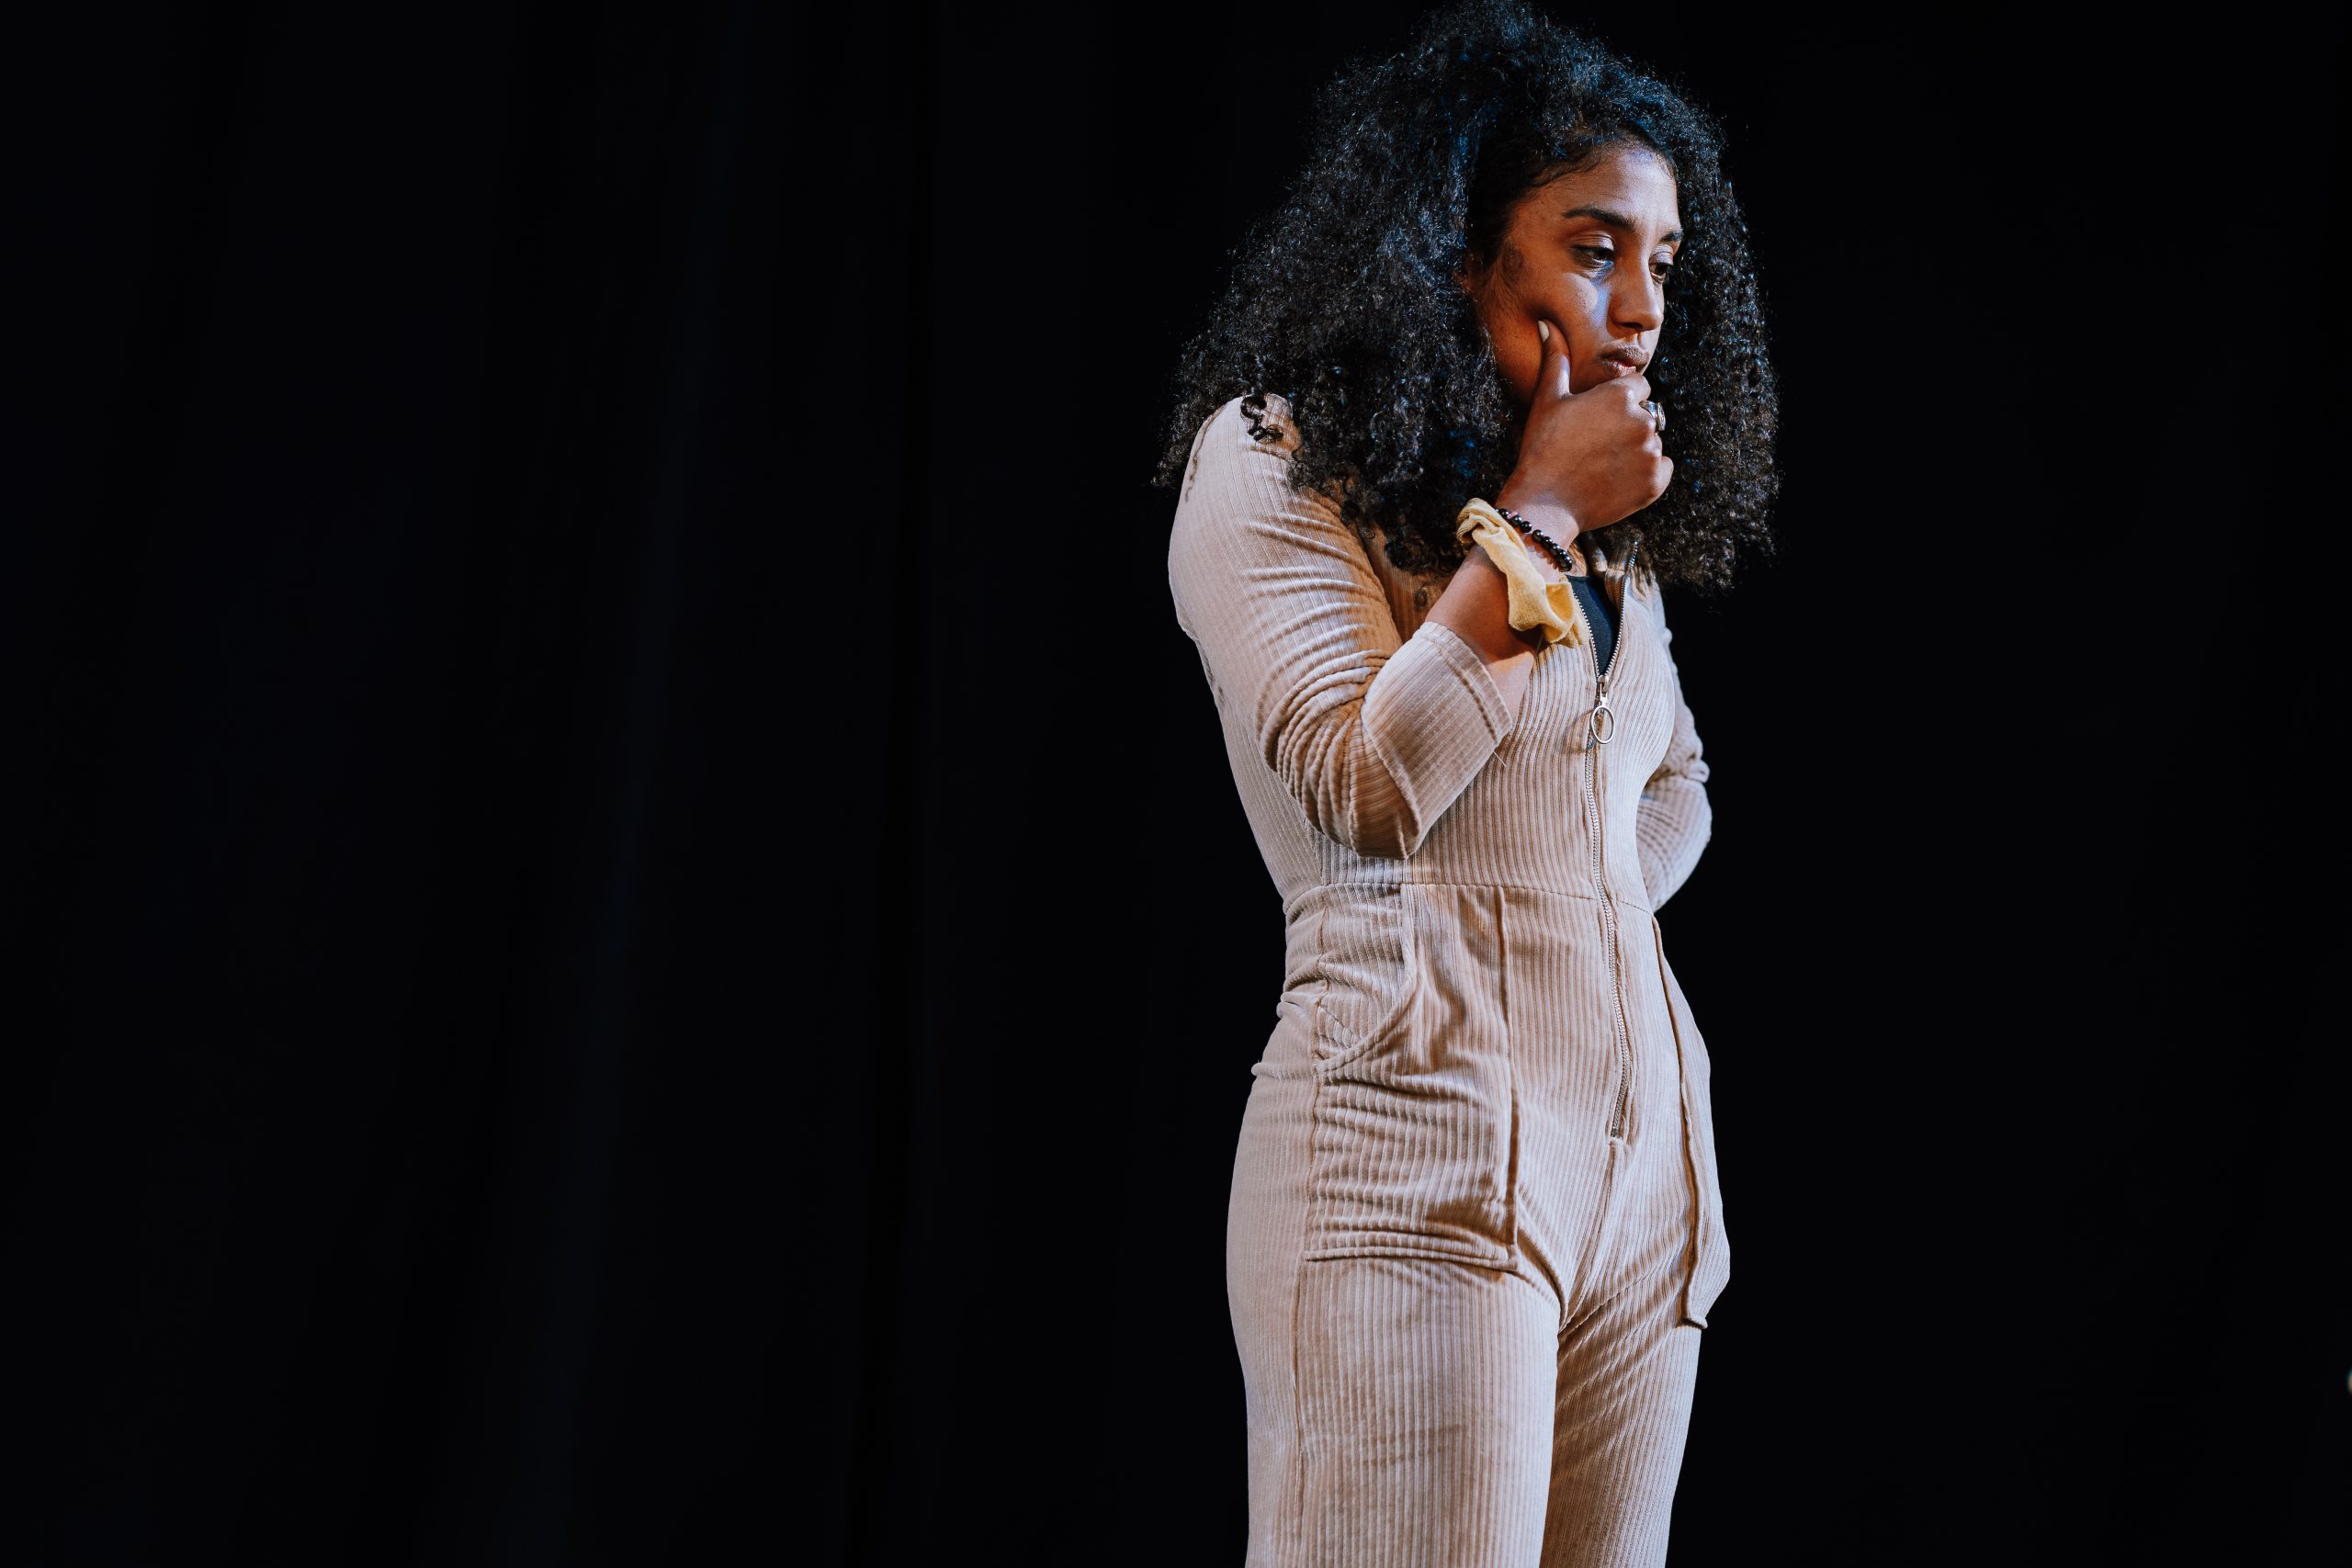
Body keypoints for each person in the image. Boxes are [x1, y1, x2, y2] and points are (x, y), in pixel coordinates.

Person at [1153, 2, 1781, 1562]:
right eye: (1593, 248)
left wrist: (1568, 911)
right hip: (1408, 1154)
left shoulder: (1606, 541)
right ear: (1452, 249)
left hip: (1643, 1184)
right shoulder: (1278, 460)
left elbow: (1676, 785)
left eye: (1665, 260)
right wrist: (1541, 519)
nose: (1645, 308)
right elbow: (1366, 786)